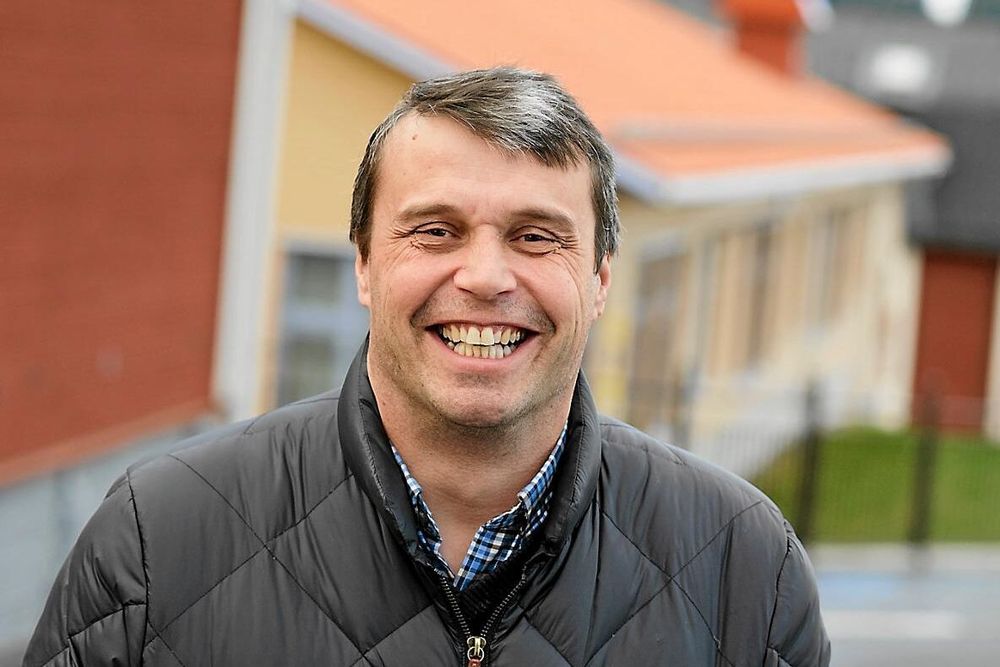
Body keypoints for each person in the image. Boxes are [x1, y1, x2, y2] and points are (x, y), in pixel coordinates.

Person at [25, 66, 829, 666]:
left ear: (600, 279)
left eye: (536, 236)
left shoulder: (743, 568)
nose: (484, 277)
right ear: (364, 264)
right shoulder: (159, 543)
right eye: (435, 231)